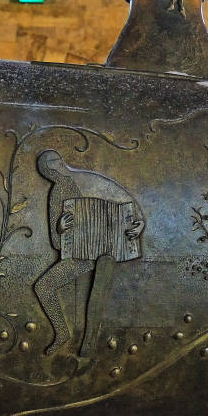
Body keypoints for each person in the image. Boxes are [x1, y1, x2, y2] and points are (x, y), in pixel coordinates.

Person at [33, 150, 144, 357]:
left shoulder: (87, 179)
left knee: (96, 285)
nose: (57, 167)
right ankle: (62, 332)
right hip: (80, 256)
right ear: (47, 173)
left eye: (57, 161)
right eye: (51, 166)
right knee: (43, 286)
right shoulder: (57, 192)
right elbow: (56, 242)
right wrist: (60, 228)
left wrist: (139, 225)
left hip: (109, 250)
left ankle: (88, 341)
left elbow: (128, 207)